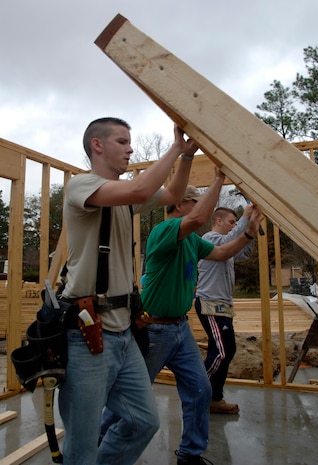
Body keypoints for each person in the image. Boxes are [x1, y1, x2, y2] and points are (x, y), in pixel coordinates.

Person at [58, 116, 198, 465]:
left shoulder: (126, 200)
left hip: (123, 329)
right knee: (82, 441)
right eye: (122, 141)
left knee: (143, 421)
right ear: (98, 145)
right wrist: (175, 147)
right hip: (88, 331)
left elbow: (173, 195)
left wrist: (187, 158)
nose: (131, 148)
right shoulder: (80, 187)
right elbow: (138, 189)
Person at [140, 173, 262, 465]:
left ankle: (190, 454)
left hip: (179, 328)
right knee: (133, 393)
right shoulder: (164, 231)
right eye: (196, 202)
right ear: (182, 205)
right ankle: (100, 444)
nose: (201, 210)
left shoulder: (193, 241)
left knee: (199, 389)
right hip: (155, 329)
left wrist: (247, 233)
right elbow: (198, 219)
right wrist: (219, 178)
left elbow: (221, 253)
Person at [195, 205, 256, 415]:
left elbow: (244, 250)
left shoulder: (227, 248)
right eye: (232, 221)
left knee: (226, 351)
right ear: (219, 221)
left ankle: (215, 398)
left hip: (222, 306)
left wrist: (252, 226)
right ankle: (198, 391)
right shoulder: (209, 239)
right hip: (210, 303)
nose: (234, 225)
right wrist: (246, 216)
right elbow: (228, 242)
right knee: (221, 351)